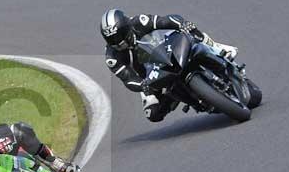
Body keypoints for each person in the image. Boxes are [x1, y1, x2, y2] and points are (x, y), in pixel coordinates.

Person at [100, 8, 238, 122]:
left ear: (127, 26)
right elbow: (128, 79)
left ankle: (217, 48)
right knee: (153, 114)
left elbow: (164, 21)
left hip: (167, 52)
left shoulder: (139, 22)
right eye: (112, 39)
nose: (118, 42)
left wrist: (181, 24)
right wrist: (143, 85)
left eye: (120, 35)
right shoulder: (112, 57)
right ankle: (181, 97)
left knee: (193, 34)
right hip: (150, 77)